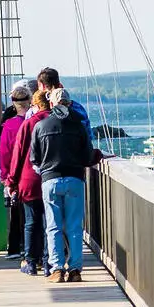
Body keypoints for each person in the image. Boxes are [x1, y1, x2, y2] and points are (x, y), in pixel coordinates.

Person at [31, 86, 95, 282]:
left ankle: (57, 269)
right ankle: (75, 270)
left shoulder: (41, 126)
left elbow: (34, 158)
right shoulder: (79, 127)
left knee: (53, 226)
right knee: (74, 227)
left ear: (51, 104)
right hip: (75, 179)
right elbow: (87, 156)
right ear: (69, 103)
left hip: (50, 180)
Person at [0, 81, 49, 273]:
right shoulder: (40, 122)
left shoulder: (10, 125)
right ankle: (46, 258)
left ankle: (24, 255)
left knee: (26, 220)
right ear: (29, 101)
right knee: (45, 221)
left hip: (20, 177)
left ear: (13, 102)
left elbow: (6, 153)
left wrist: (7, 178)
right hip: (42, 175)